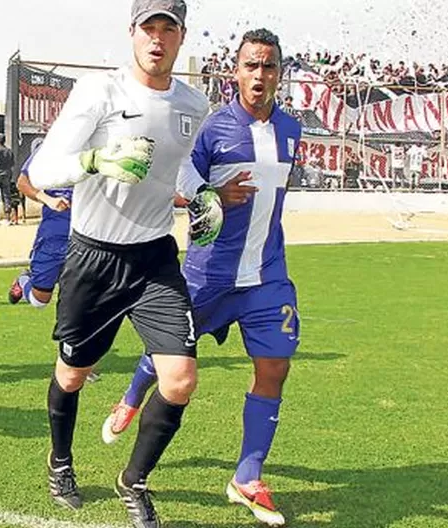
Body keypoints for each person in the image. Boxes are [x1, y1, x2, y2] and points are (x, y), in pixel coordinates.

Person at [25, 1, 222, 525]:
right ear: (132, 33)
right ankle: (60, 461)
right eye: (148, 28)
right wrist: (94, 160)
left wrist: (202, 195)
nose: (158, 39)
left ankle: (133, 481)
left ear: (182, 38)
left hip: (155, 258)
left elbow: (178, 170)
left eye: (168, 29)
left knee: (179, 380)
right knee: (72, 375)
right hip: (94, 257)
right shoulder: (99, 91)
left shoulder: (192, 103)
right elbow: (43, 169)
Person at [100, 28, 301, 526]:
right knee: (168, 357)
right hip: (209, 273)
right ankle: (130, 398)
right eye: (251, 66)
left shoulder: (292, 130)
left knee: (275, 367)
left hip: (267, 275)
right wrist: (210, 193)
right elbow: (175, 179)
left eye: (269, 66)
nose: (260, 75)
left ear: (279, 72)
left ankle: (247, 477)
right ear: (235, 72)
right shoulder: (210, 128)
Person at [8, 144, 100, 382]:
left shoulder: (99, 146)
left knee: (80, 298)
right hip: (54, 234)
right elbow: (22, 183)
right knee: (40, 300)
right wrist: (46, 199)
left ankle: (75, 360)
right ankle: (23, 280)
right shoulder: (52, 146)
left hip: (87, 234)